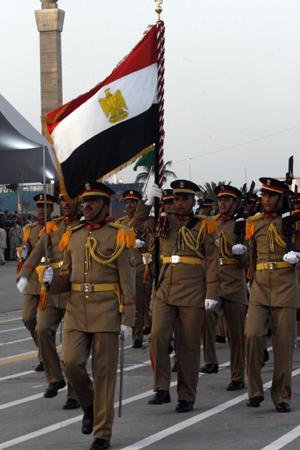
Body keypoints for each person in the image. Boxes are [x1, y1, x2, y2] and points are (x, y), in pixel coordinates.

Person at [43, 182, 136, 450]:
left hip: (107, 310)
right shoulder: (73, 235)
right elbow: (67, 278)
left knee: (104, 374)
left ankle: (102, 433)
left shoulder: (119, 235)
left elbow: (128, 280)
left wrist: (128, 318)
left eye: (94, 201)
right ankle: (91, 405)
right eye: (86, 201)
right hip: (76, 310)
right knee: (71, 363)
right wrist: (51, 281)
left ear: (106, 206)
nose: (87, 205)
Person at [132, 180, 219, 412]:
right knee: (158, 335)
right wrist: (148, 202)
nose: (179, 203)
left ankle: (186, 396)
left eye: (184, 199)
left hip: (193, 291)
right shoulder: (163, 220)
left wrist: (211, 292)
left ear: (193, 201)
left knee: (188, 346)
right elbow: (136, 224)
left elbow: (211, 259)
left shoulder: (204, 225)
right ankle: (161, 388)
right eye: (176, 199)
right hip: (166, 289)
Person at [17, 191, 81, 409]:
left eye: (70, 199)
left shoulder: (84, 227)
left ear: (79, 202)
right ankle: (55, 378)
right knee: (42, 330)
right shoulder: (51, 228)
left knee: (72, 349)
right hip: (52, 290)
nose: (66, 203)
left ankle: (74, 394)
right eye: (63, 199)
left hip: (75, 291)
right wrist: (24, 275)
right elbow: (35, 253)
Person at [245, 178, 300, 412]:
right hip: (259, 288)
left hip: (285, 287)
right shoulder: (254, 223)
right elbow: (253, 257)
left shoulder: (294, 222)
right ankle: (255, 391)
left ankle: (280, 395)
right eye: (264, 195)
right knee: (253, 335)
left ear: (281, 198)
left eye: (271, 195)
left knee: (283, 345)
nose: (266, 199)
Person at [200, 185, 249, 392]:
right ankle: (211, 361)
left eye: (227, 201)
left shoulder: (243, 226)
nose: (222, 204)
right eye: (220, 200)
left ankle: (237, 376)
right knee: (205, 318)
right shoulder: (211, 224)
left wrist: (241, 252)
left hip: (234, 284)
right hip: (214, 282)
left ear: (235, 204)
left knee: (235, 335)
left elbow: (246, 261)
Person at [18, 193, 55, 371]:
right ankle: (44, 348)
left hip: (50, 280)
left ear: (51, 209)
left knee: (44, 325)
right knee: (27, 317)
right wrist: (24, 257)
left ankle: (44, 357)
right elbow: (30, 251)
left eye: (45, 206)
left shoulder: (57, 227)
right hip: (34, 281)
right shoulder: (30, 229)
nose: (41, 210)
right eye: (39, 206)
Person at [116, 189, 148, 348]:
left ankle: (138, 336)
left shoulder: (146, 222)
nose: (129, 205)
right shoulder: (120, 223)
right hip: (123, 267)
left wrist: (146, 246)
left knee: (139, 303)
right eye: (127, 202)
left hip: (140, 266)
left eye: (133, 202)